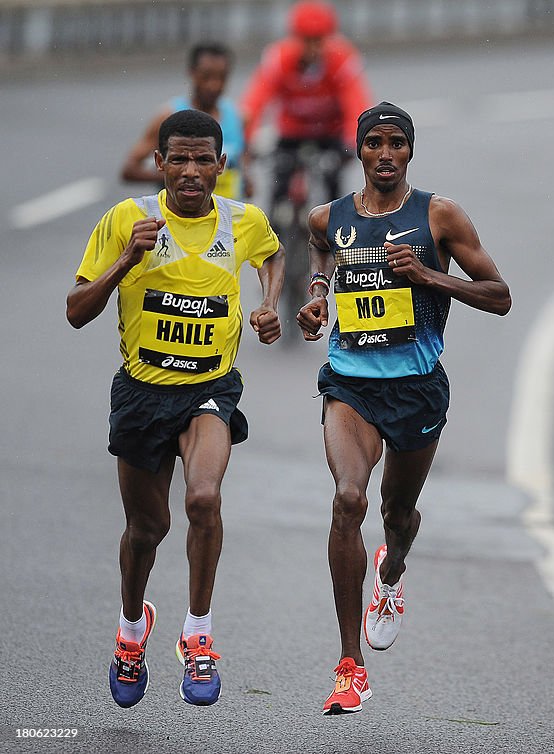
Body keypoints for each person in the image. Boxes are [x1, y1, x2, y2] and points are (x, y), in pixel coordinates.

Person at [296, 102, 511, 714]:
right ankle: (349, 665)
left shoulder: (438, 215)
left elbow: (500, 296)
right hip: (349, 386)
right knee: (348, 498)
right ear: (359, 151)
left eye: (396, 144)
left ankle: (390, 578)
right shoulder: (329, 217)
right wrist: (316, 296)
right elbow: (319, 250)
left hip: (416, 387)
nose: (385, 154)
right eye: (374, 143)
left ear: (410, 152)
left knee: (398, 512)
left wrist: (428, 276)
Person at [67, 109, 284, 708]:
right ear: (158, 165)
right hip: (141, 393)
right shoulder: (126, 220)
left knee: (203, 498)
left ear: (221, 165)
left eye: (202, 159)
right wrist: (123, 264)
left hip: (209, 390)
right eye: (178, 159)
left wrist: (269, 304)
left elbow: (271, 252)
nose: (190, 171)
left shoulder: (243, 220)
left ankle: (198, 634)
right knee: (147, 528)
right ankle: (131, 630)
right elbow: (76, 310)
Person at [241, 0, 372, 206]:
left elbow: (356, 103)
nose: (313, 48)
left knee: (334, 192)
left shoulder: (342, 58)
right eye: (306, 40)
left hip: (329, 134)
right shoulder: (279, 59)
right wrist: (246, 140)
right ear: (295, 37)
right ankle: (276, 230)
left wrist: (355, 141)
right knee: (279, 188)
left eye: (319, 40)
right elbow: (255, 102)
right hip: (291, 133)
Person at [121, 42, 248, 200]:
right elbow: (129, 170)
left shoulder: (238, 117)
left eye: (221, 77)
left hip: (228, 219)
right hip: (182, 220)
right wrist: (178, 175)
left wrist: (246, 181)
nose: (214, 85)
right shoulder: (168, 117)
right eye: (206, 76)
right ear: (192, 73)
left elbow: (242, 163)